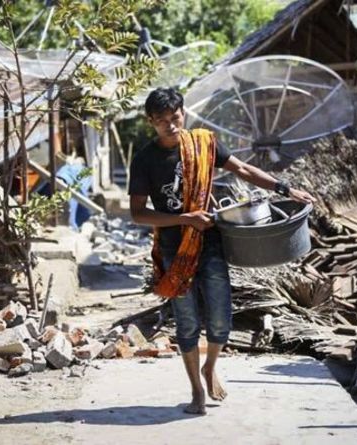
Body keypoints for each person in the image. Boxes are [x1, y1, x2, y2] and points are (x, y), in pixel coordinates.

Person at [128, 88, 316, 415]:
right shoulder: (145, 159)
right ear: (151, 122)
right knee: (186, 323)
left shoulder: (204, 143)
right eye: (162, 122)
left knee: (220, 319)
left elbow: (242, 169)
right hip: (175, 251)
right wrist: (184, 218)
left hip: (211, 245)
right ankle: (196, 391)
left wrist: (284, 188)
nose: (171, 127)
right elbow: (138, 213)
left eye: (175, 118)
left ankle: (210, 366)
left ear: (183, 114)